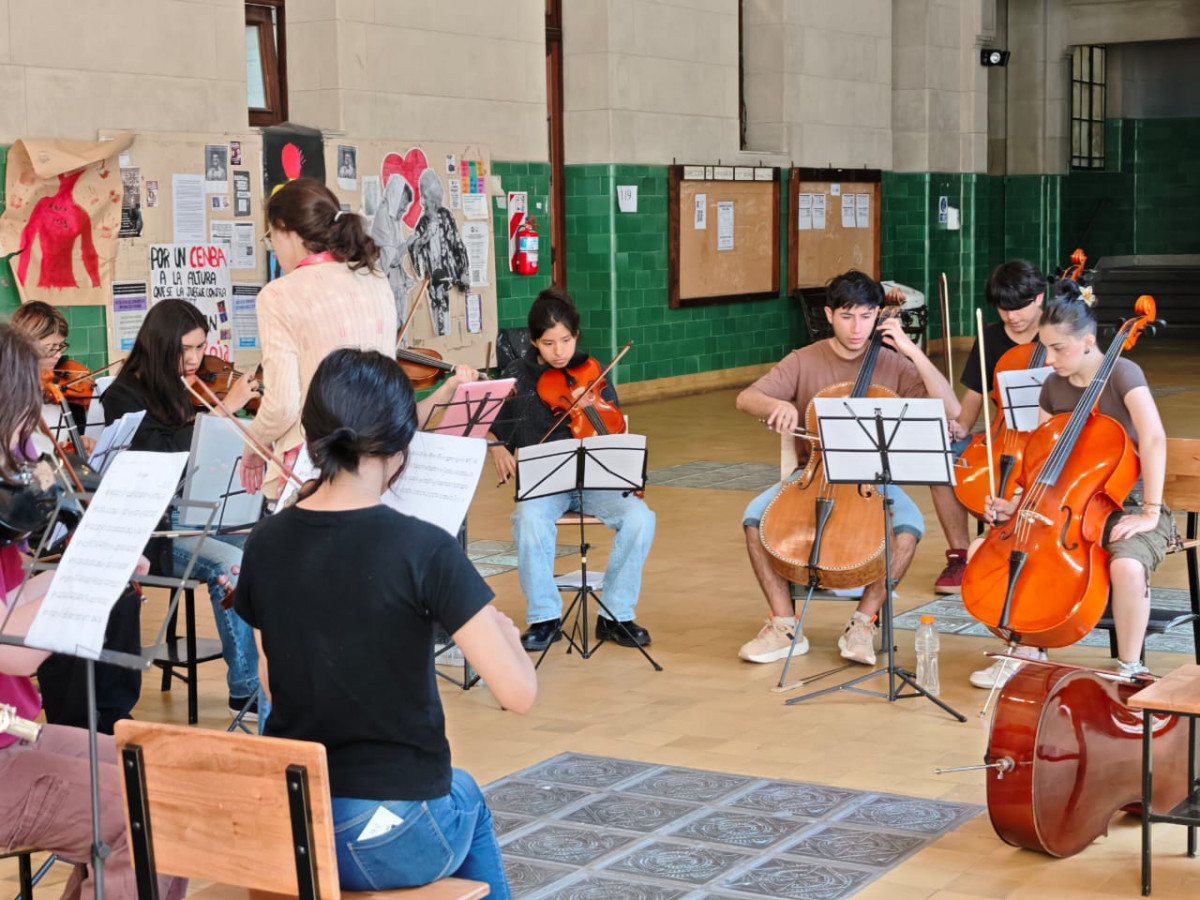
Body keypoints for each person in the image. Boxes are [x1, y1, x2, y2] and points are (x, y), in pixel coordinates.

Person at [235, 348, 535, 898]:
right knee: (468, 798)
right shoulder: (424, 547)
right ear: (402, 444)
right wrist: (509, 639)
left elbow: (272, 684)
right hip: (383, 834)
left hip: (292, 824)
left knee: (455, 793)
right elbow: (519, 694)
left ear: (314, 435)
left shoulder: (265, 540)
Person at [0, 322, 186, 900]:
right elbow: (13, 653)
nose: (31, 432)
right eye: (25, 412)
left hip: (12, 730)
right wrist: (90, 578)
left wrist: (84, 564)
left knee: (158, 776)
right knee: (151, 819)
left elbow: (12, 602)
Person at [735, 270, 961, 665]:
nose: (857, 328)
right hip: (813, 475)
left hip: (874, 480)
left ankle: (863, 623)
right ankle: (784, 626)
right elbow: (746, 398)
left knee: (908, 528)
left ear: (878, 316)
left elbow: (951, 410)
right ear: (829, 314)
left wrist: (912, 351)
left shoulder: (894, 363)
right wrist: (776, 404)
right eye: (847, 316)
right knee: (755, 518)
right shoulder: (804, 359)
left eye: (867, 316)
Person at [967, 280, 1170, 688]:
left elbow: (1152, 438)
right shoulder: (1052, 385)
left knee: (1127, 565)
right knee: (981, 553)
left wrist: (1150, 513)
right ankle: (1026, 649)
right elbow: (1041, 459)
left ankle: (1130, 668)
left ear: (1088, 342)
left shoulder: (1123, 374)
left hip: (1128, 505)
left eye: (1058, 348)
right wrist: (1019, 503)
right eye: (1045, 347)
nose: (1049, 358)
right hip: (1060, 508)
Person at [238, 177, 475, 498]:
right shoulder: (375, 278)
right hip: (377, 458)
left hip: (316, 461)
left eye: (271, 236)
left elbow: (283, 406)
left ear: (285, 230)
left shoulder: (278, 294)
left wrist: (253, 442)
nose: (274, 248)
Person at [102, 299, 263, 720]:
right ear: (159, 344)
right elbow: (164, 457)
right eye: (185, 348)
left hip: (198, 512)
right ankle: (246, 690)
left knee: (267, 546)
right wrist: (222, 410)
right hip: (155, 532)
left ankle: (275, 676)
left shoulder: (184, 385)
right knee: (229, 564)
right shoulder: (121, 395)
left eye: (200, 347)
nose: (194, 359)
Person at [487, 288, 655, 652]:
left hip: (596, 481)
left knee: (640, 519)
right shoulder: (518, 376)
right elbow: (488, 422)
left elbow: (612, 426)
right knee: (529, 520)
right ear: (534, 342)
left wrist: (592, 408)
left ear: (576, 336)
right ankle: (545, 617)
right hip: (546, 483)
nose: (559, 351)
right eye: (548, 343)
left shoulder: (592, 371)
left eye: (566, 340)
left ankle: (615, 615)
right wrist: (497, 447)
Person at [931, 260, 1046, 594]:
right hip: (1003, 436)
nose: (1012, 316)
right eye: (1004, 308)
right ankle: (960, 555)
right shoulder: (991, 337)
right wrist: (958, 428)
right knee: (940, 459)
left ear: (1040, 297)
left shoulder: (1059, 332)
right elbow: (974, 396)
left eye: (1020, 307)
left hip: (1050, 438)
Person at [9, 300, 90, 435]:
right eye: (50, 348)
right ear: (25, 346)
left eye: (60, 346)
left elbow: (75, 435)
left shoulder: (63, 389)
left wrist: (79, 442)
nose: (58, 355)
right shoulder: (8, 391)